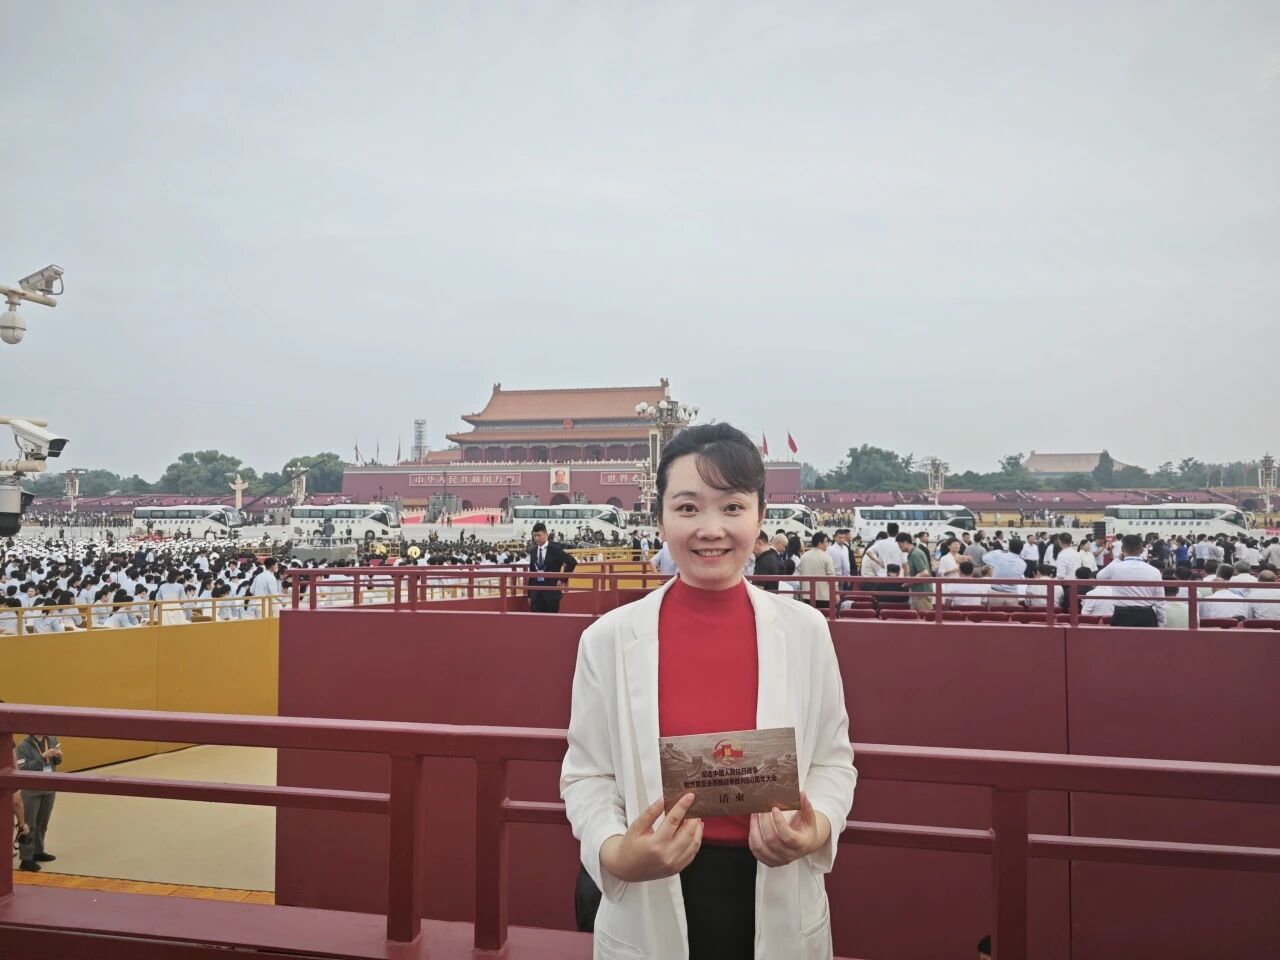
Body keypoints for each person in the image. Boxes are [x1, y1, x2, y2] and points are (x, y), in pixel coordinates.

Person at [560, 422, 856, 959]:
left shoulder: (806, 631)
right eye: (688, 508)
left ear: (760, 516)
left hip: (776, 883)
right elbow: (588, 775)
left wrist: (814, 831)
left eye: (733, 507)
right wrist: (616, 852)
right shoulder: (608, 639)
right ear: (659, 519)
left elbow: (833, 763)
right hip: (652, 889)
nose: (711, 529)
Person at [16, 730, 63, 872]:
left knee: (42, 823)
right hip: (31, 792)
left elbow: (56, 762)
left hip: (49, 788)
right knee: (29, 825)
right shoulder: (23, 746)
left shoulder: (52, 739)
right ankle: (26, 859)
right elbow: (23, 768)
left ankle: (38, 851)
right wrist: (42, 757)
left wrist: (58, 756)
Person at [1095, 534, 1165, 626]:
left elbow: (1099, 577)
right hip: (1146, 615)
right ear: (1142, 550)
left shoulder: (1114, 568)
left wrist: (1117, 559)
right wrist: (1161, 623)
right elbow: (1160, 601)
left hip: (1121, 615)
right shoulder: (1154, 571)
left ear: (1122, 549)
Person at [528, 522, 577, 613]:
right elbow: (532, 572)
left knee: (551, 619)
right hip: (536, 594)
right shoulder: (533, 550)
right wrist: (530, 595)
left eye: (539, 535)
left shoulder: (555, 549)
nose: (536, 538)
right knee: (536, 620)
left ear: (546, 534)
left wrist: (562, 579)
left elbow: (572, 562)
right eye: (534, 536)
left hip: (551, 592)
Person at [796, 531, 836, 608]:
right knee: (823, 614)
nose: (827, 544)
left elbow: (800, 574)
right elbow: (832, 577)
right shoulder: (827, 557)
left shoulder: (804, 556)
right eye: (826, 542)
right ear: (820, 544)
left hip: (807, 594)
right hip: (823, 595)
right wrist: (836, 593)